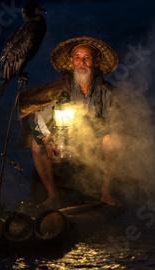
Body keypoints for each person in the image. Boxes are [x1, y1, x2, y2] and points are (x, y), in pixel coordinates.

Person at [17, 36, 123, 210]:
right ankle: (53, 196)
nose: (82, 62)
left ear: (96, 62)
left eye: (87, 57)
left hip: (94, 152)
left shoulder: (106, 92)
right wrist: (47, 138)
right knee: (37, 145)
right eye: (78, 57)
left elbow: (119, 126)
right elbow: (35, 117)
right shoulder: (61, 90)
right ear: (71, 61)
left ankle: (106, 192)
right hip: (64, 151)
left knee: (112, 140)